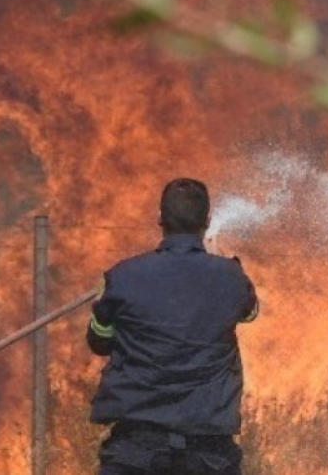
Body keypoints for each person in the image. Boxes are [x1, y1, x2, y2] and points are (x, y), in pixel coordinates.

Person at [87, 178, 259, 475]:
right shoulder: (231, 277)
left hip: (134, 453)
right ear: (207, 221)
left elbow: (98, 340)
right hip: (209, 456)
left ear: (160, 220)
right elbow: (249, 313)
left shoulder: (122, 276)